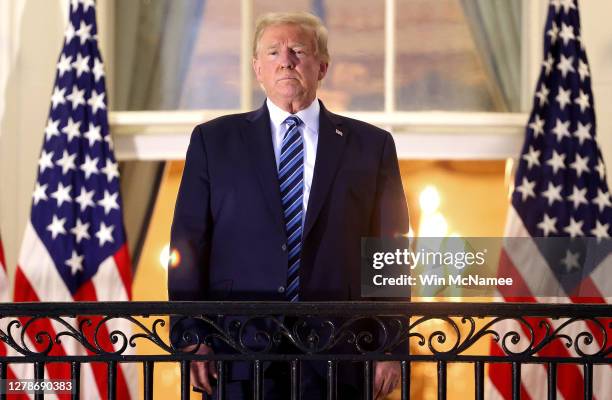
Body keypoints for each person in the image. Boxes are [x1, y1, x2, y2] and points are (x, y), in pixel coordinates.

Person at [168, 11, 409, 399]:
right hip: (237, 351)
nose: (286, 60)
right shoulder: (214, 142)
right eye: (273, 51)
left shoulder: (371, 145)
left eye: (298, 50)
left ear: (322, 66)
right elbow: (188, 244)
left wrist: (390, 346)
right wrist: (191, 337)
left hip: (339, 352)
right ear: (257, 68)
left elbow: (389, 252)